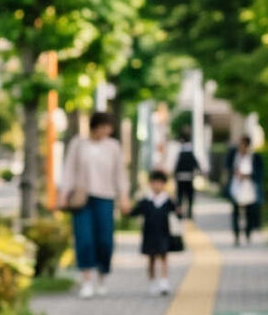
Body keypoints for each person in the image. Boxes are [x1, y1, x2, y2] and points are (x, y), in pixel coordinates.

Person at [57, 111, 127, 296]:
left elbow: (120, 173)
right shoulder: (78, 144)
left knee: (105, 239)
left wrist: (124, 195)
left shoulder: (113, 146)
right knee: (84, 238)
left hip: (105, 197)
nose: (108, 131)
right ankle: (86, 280)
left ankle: (102, 275)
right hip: (82, 198)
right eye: (105, 127)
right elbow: (69, 170)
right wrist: (64, 194)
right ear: (96, 126)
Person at [131, 168, 180, 295]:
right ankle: (152, 281)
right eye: (155, 182)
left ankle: (164, 281)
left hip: (164, 233)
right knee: (151, 259)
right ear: (150, 184)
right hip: (149, 234)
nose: (157, 185)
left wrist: (179, 209)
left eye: (160, 183)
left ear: (164, 184)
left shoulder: (168, 200)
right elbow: (134, 212)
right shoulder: (146, 201)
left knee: (164, 257)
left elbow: (177, 213)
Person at [227, 135, 263, 245]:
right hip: (236, 186)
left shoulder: (254, 157)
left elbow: (259, 173)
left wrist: (247, 175)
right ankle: (237, 235)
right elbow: (228, 167)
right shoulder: (234, 155)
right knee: (235, 213)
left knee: (249, 213)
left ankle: (248, 233)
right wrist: (235, 173)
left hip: (249, 187)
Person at [172, 133, 201, 220]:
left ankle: (180, 213)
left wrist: (175, 174)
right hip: (189, 178)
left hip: (180, 178)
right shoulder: (191, 153)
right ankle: (189, 214)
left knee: (180, 197)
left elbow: (176, 166)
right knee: (189, 197)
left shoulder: (180, 153)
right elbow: (197, 165)